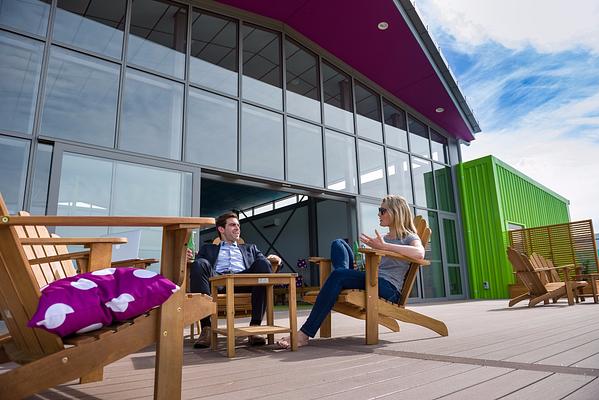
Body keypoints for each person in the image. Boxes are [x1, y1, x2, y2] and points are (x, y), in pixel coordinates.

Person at [277, 195, 424, 349]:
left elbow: (419, 253)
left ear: (396, 212)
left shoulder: (409, 237)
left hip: (389, 289)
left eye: (382, 210)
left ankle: (304, 334)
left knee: (338, 275)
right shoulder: (384, 238)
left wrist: (385, 247)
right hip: (372, 280)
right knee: (338, 243)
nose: (378, 214)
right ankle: (343, 273)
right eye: (379, 211)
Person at [187, 211, 281, 348]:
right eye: (232, 225)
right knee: (199, 263)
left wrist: (275, 260)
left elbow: (265, 264)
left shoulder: (250, 248)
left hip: (244, 281)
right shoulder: (208, 249)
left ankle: (255, 327)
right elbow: (200, 267)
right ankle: (206, 328)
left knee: (263, 263)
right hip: (218, 282)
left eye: (238, 225)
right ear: (221, 229)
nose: (237, 228)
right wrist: (190, 258)